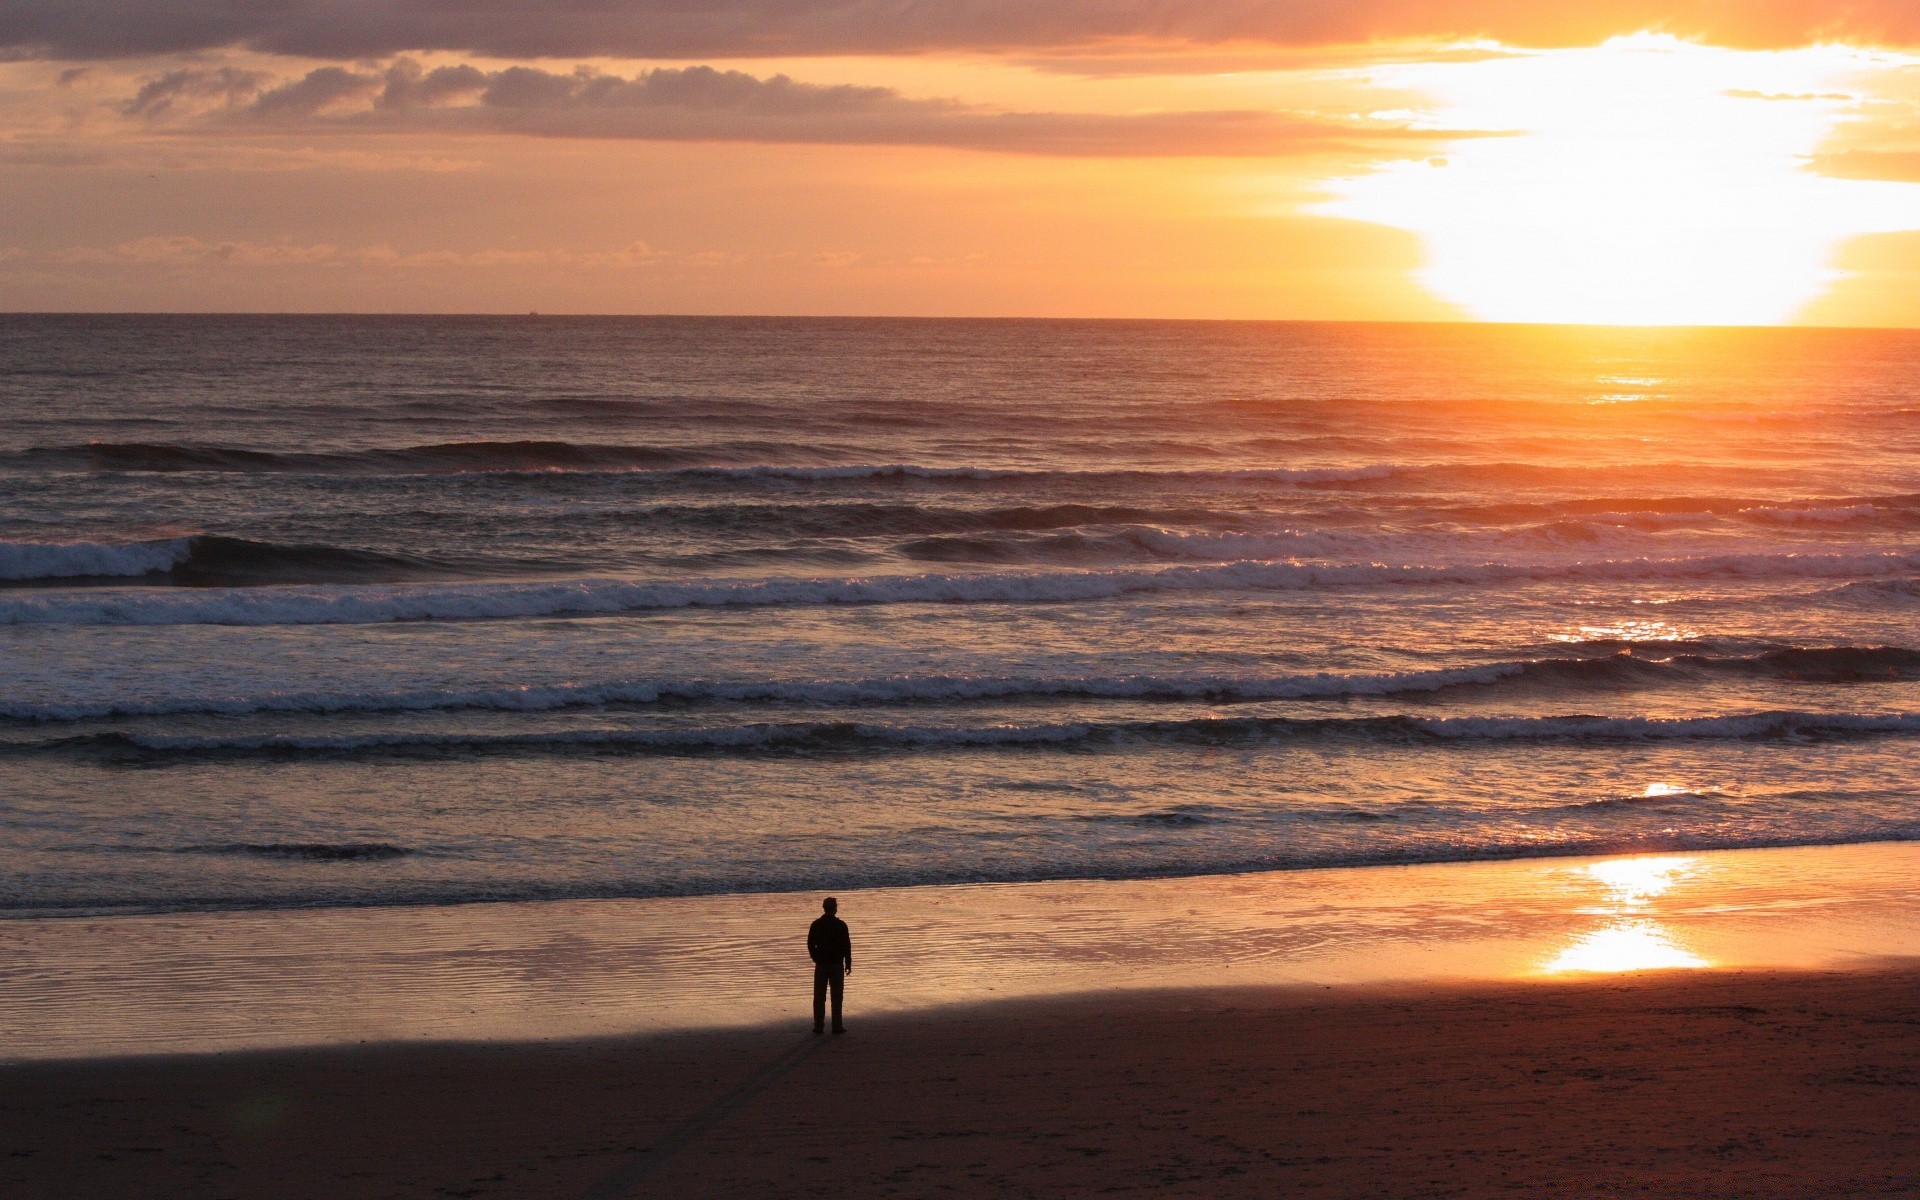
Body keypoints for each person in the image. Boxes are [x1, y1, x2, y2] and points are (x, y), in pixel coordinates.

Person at [808, 897, 853, 1035]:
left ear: (824, 907)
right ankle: (837, 1026)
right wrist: (848, 962)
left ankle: (819, 1026)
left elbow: (810, 945)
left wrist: (816, 958)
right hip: (836, 964)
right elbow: (847, 946)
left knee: (819, 997)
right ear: (834, 908)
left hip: (821, 964)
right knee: (837, 996)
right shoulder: (841, 925)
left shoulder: (816, 924)